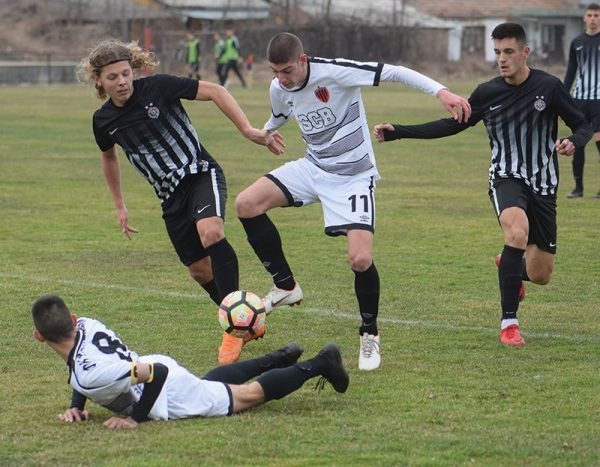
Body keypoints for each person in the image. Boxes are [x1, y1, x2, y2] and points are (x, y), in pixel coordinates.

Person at [233, 32, 471, 370]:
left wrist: (441, 92)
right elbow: (283, 113)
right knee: (246, 203)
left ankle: (369, 335)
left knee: (360, 259)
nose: (280, 79)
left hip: (354, 176)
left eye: (286, 70)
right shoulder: (278, 88)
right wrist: (266, 131)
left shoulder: (334, 72)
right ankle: (285, 286)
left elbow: (394, 71)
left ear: (303, 60)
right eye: (274, 71)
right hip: (313, 168)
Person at [374, 23, 592, 346]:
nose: (501, 59)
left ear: (525, 52)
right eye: (497, 53)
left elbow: (583, 123)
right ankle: (509, 323)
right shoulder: (487, 93)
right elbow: (451, 125)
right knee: (516, 232)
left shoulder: (549, 87)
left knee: (541, 275)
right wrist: (401, 131)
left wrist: (574, 140)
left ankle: (509, 265)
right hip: (505, 177)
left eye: (508, 52)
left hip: (544, 184)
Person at [76, 40, 284, 363]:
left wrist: (247, 129)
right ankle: (244, 321)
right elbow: (109, 158)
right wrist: (119, 203)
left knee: (211, 233)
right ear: (99, 81)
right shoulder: (103, 121)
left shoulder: (158, 88)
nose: (122, 81)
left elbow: (215, 90)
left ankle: (232, 334)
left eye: (126, 73)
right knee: (200, 271)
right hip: (169, 196)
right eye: (113, 77)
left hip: (200, 173)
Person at [31, 294, 349, 430]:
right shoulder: (86, 323)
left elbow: (154, 373)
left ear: (38, 336)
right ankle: (277, 358)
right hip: (153, 367)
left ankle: (323, 362)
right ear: (71, 319)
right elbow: (84, 369)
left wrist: (135, 420)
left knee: (246, 397)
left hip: (160, 386)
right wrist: (77, 405)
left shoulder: (88, 374)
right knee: (209, 384)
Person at [564, 3, 600, 199]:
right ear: (584, 18)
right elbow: (571, 71)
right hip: (579, 99)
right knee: (578, 143)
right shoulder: (577, 42)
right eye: (590, 15)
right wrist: (562, 97)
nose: (593, 18)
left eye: (596, 15)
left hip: (599, 101)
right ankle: (578, 188)